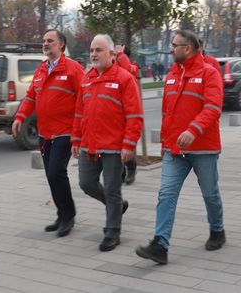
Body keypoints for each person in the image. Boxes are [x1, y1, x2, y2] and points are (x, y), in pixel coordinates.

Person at [136, 30, 225, 265]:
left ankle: (217, 230)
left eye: (174, 45)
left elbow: (213, 108)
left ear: (188, 48)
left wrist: (193, 129)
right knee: (166, 194)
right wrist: (166, 143)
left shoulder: (209, 73)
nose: (170, 49)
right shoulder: (173, 74)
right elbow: (168, 113)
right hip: (175, 150)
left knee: (210, 193)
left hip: (203, 148)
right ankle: (160, 245)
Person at [71, 34, 143, 252]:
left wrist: (129, 144)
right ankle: (118, 207)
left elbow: (134, 116)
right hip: (89, 146)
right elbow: (79, 112)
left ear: (112, 54)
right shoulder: (87, 78)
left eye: (99, 50)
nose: (94, 54)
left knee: (112, 190)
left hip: (113, 147)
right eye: (92, 50)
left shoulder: (124, 78)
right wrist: (76, 139)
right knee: (86, 183)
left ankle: (112, 232)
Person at [12, 29, 85, 237]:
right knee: (51, 176)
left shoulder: (73, 69)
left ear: (61, 44)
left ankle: (68, 216)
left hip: (65, 132)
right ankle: (62, 215)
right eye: (44, 40)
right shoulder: (41, 70)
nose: (45, 44)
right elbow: (30, 97)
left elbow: (84, 98)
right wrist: (19, 117)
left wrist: (80, 130)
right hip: (45, 133)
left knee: (56, 172)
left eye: (50, 41)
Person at [115, 44, 140, 185]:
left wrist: (120, 54)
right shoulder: (113, 67)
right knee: (115, 146)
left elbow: (127, 69)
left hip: (128, 114)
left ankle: (131, 167)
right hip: (114, 113)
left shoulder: (133, 67)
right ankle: (121, 172)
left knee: (125, 146)